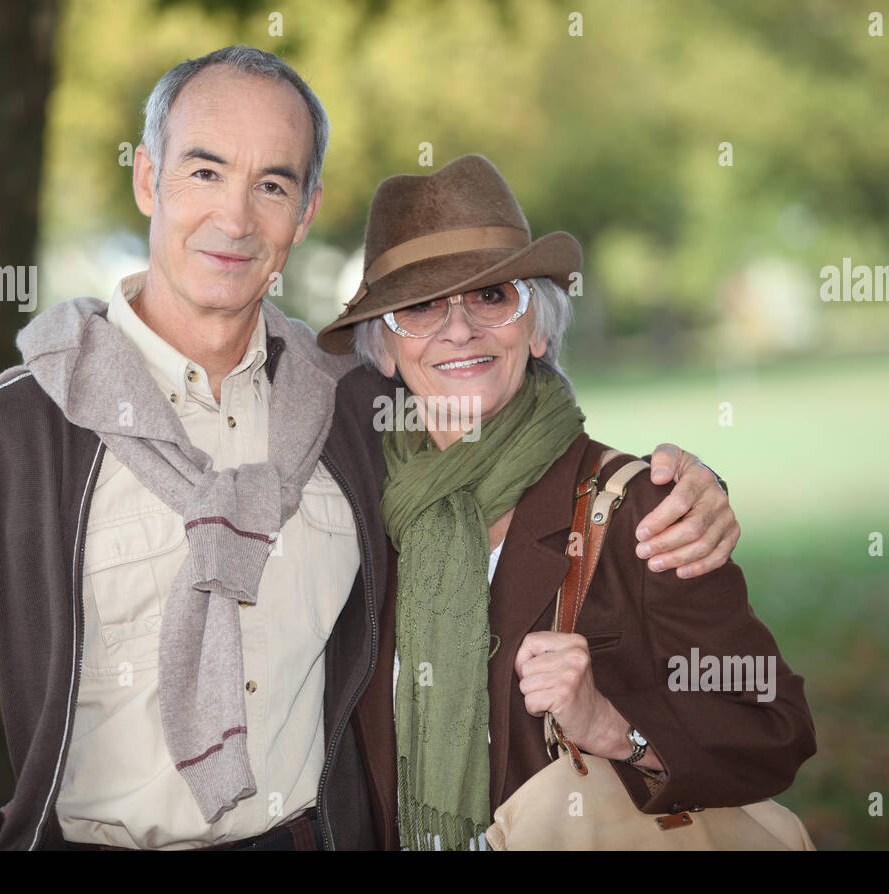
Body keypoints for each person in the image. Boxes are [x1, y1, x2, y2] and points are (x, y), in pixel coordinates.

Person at [0, 48, 739, 851]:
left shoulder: (352, 409)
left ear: (304, 214)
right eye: (204, 171)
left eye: (272, 183)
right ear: (148, 180)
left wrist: (686, 486)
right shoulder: (13, 434)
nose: (234, 218)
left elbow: (504, 407)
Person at [318, 154, 816, 850]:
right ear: (385, 350)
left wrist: (615, 726)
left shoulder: (644, 506)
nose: (459, 329)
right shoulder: (357, 506)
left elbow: (774, 727)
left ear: (540, 329)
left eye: (493, 297)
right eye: (422, 305)